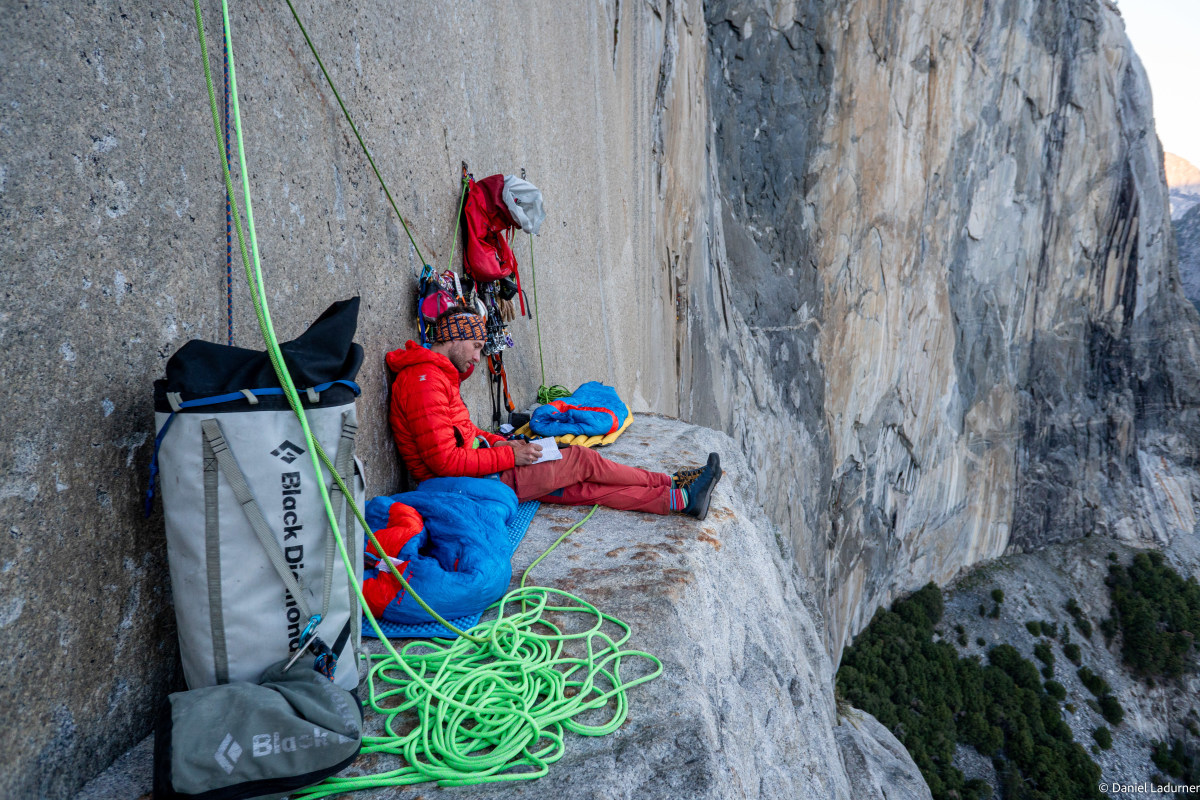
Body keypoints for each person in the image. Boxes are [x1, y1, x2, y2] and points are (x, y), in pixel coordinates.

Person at [386, 306, 722, 519]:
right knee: (581, 461)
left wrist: (506, 445)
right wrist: (508, 458)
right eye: (476, 347)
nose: (477, 358)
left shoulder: (436, 377)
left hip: (475, 476)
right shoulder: (424, 382)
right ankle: (668, 482)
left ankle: (680, 497)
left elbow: (466, 435)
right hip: (465, 484)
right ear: (455, 338)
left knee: (582, 489)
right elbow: (444, 463)